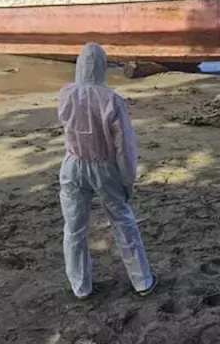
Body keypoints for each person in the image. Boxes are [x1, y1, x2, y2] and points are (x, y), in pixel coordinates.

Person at [58, 43, 156, 300]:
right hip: (103, 166)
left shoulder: (65, 94)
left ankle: (80, 286)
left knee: (74, 227)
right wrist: (127, 179)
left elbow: (67, 128)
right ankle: (142, 281)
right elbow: (124, 147)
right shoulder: (111, 99)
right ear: (102, 66)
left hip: (72, 163)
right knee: (123, 221)